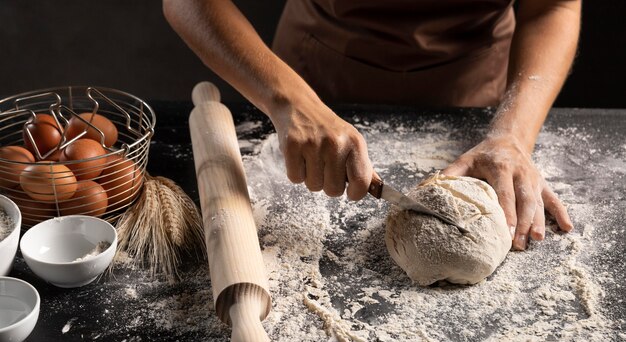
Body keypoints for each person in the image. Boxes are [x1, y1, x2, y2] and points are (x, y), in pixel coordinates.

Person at [163, 0, 578, 250]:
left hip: (472, 91)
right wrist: (289, 100)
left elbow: (553, 6)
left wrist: (513, 135)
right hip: (316, 81)